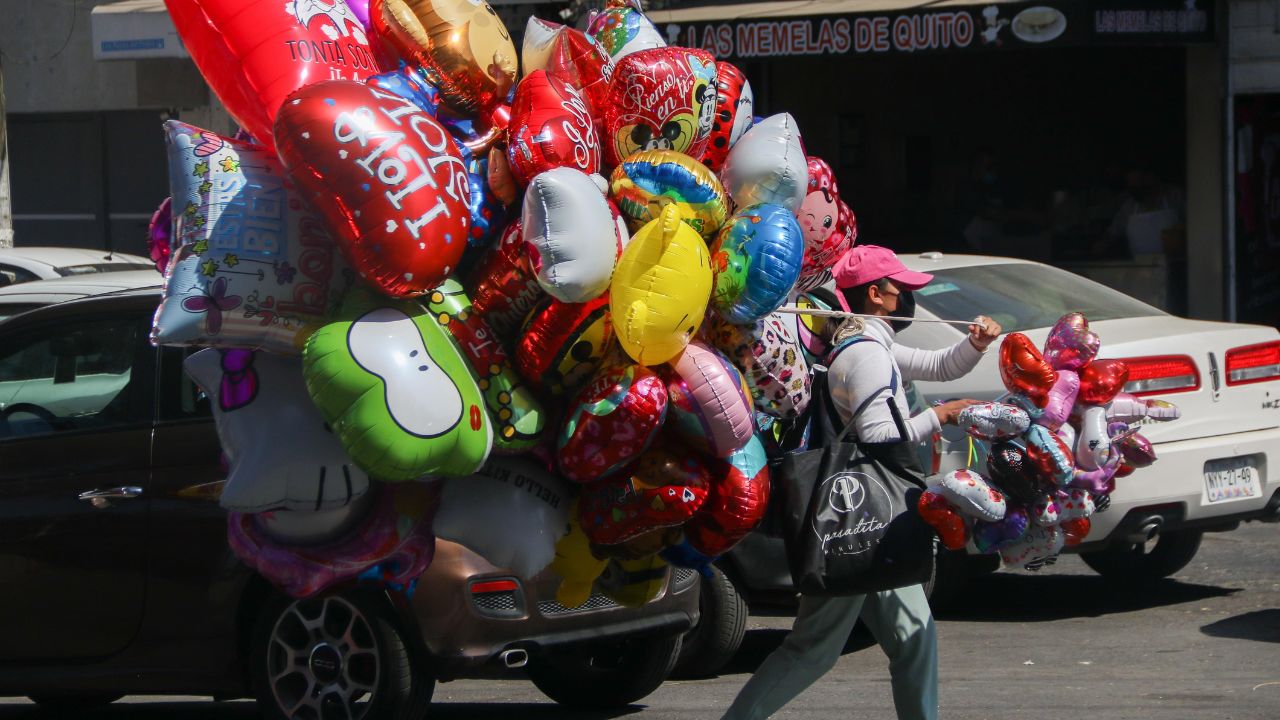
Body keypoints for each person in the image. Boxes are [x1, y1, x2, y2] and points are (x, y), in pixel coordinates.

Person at [721, 244, 1001, 720]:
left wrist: (974, 344)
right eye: (902, 289)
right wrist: (940, 415)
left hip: (872, 520)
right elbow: (882, 437)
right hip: (856, 520)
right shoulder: (867, 354)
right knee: (812, 650)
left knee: (915, 635)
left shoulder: (870, 344)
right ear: (876, 295)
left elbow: (938, 367)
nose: (908, 297)